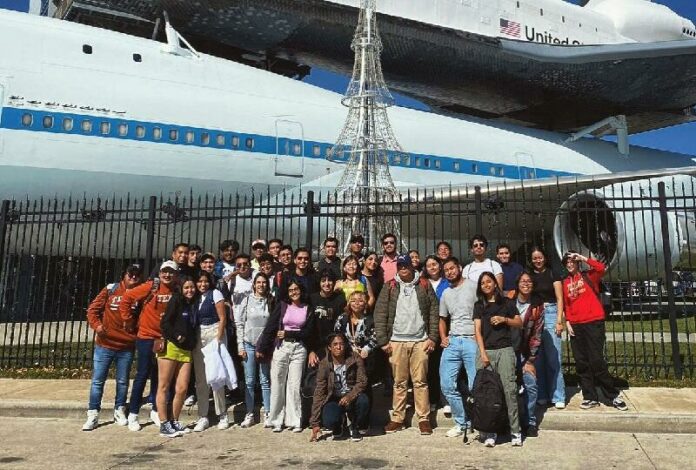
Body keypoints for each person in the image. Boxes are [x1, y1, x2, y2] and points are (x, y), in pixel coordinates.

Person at [374, 254, 439, 435]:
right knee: (399, 382)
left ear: (412, 267)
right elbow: (380, 314)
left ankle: (423, 419)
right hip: (396, 341)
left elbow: (434, 311)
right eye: (400, 265)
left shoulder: (424, 285)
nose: (403, 268)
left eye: (406, 265)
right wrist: (383, 341)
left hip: (420, 341)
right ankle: (397, 418)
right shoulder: (389, 287)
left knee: (420, 382)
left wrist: (432, 337)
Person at [562, 251, 627, 411]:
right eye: (567, 262)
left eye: (572, 261)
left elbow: (601, 268)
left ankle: (612, 394)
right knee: (582, 362)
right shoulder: (565, 282)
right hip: (576, 325)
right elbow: (567, 305)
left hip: (593, 322)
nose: (570, 264)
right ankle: (590, 396)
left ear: (577, 263)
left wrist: (583, 257)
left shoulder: (589, 276)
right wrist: (568, 322)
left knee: (596, 360)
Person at [82, 264, 143, 431]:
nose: (133, 277)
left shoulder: (141, 294)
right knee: (98, 381)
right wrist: (98, 326)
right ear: (124, 275)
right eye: (131, 274)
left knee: (123, 381)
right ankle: (93, 413)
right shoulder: (111, 289)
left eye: (137, 275)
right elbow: (92, 310)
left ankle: (119, 409)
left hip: (126, 345)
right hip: (105, 344)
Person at [120, 260, 177, 432]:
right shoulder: (151, 287)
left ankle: (155, 409)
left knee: (160, 376)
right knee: (142, 374)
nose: (167, 275)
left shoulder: (177, 288)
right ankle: (134, 413)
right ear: (159, 273)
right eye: (164, 272)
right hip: (146, 336)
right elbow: (127, 298)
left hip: (164, 337)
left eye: (171, 272)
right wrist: (128, 320)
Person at [473, 271, 523, 447]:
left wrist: (504, 320)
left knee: (509, 391)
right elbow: (477, 331)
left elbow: (519, 322)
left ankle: (515, 431)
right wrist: (483, 353)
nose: (486, 285)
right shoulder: (479, 305)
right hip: (486, 351)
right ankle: (490, 432)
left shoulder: (507, 303)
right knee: (488, 394)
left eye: (489, 281)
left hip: (504, 350)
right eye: (482, 283)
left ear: (495, 283)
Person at [258, 280, 315, 432]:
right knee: (277, 383)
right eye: (291, 290)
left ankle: (294, 420)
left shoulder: (308, 308)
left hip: (299, 349)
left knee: (294, 385)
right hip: (282, 347)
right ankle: (276, 419)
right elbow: (270, 326)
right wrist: (262, 347)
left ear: (301, 290)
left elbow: (308, 332)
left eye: (296, 289)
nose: (294, 292)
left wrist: (289, 333)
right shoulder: (283, 306)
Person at [438, 256, 478, 438]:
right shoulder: (445, 293)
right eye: (446, 270)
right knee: (446, 384)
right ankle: (462, 423)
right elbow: (442, 319)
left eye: (452, 268)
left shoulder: (473, 285)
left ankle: (480, 422)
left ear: (459, 267)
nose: (450, 272)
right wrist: (443, 337)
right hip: (453, 341)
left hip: (472, 339)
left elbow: (483, 311)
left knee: (475, 385)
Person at [156, 276, 197, 437]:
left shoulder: (193, 303)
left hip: (186, 350)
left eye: (192, 287)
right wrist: (177, 336)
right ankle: (164, 423)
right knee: (164, 386)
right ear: (181, 288)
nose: (190, 290)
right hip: (171, 347)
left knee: (182, 388)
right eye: (186, 287)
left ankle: (174, 419)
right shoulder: (175, 300)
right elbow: (165, 323)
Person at [310, 333, 369, 443]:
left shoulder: (355, 358)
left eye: (341, 344)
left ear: (345, 345)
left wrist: (350, 397)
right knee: (329, 420)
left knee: (364, 401)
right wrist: (315, 423)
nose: (338, 347)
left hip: (352, 395)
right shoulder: (324, 364)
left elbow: (362, 381)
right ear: (329, 347)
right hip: (334, 398)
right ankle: (339, 424)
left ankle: (354, 425)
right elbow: (319, 392)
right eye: (335, 344)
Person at [190, 271, 230, 432]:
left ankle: (222, 414)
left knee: (216, 376)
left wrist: (218, 340)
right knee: (201, 379)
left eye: (205, 281)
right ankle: (203, 415)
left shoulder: (215, 293)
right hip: (199, 335)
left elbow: (222, 318)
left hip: (214, 333)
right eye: (199, 281)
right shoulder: (194, 297)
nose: (202, 284)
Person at [334, 291, 377, 433]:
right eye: (353, 300)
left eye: (360, 300)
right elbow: (337, 335)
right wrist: (348, 349)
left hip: (364, 359)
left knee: (364, 388)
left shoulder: (370, 320)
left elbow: (375, 337)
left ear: (365, 304)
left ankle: (363, 421)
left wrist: (366, 349)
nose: (356, 303)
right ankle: (345, 417)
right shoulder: (342, 318)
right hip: (346, 358)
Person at [529, 246, 566, 409]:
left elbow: (560, 298)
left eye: (540, 257)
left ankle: (558, 394)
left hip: (551, 312)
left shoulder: (553, 274)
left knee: (553, 358)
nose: (537, 260)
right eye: (534, 258)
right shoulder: (529, 276)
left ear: (545, 258)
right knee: (538, 358)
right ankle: (542, 393)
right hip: (536, 313)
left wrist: (559, 320)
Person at [236, 273, 275, 428]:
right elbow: (240, 324)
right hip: (249, 344)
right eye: (258, 282)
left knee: (265, 380)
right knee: (250, 381)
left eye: (264, 282)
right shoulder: (246, 300)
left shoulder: (271, 301)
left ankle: (268, 412)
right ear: (254, 285)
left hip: (264, 346)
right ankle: (250, 412)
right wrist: (240, 346)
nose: (261, 285)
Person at [508, 271, 544, 438]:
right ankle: (509, 420)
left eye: (529, 281)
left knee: (530, 384)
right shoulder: (508, 299)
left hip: (524, 353)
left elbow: (537, 335)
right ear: (517, 283)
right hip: (507, 350)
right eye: (522, 281)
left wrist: (530, 360)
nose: (526, 284)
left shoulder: (537, 306)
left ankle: (530, 421)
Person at [309, 270, 347, 364]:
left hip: (334, 343)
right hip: (316, 344)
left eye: (329, 280)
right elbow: (309, 326)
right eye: (323, 280)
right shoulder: (312, 299)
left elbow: (342, 324)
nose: (327, 283)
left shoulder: (340, 298)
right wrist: (311, 350)